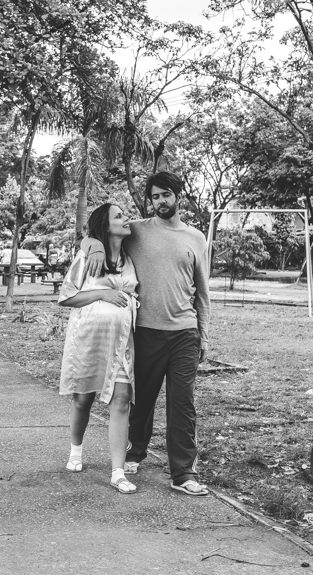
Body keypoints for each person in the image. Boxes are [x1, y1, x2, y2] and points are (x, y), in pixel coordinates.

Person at [82, 172, 211, 496]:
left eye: (165, 195)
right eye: (154, 197)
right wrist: (94, 246)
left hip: (184, 332)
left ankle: (183, 473)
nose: (160, 202)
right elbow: (95, 231)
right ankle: (136, 450)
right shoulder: (137, 230)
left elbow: (203, 293)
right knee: (142, 401)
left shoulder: (196, 237)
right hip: (145, 331)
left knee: (183, 405)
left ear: (178, 196)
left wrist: (204, 336)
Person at [58, 203, 139, 494]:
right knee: (83, 401)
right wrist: (104, 292)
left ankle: (117, 472)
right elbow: (66, 297)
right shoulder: (87, 257)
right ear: (105, 226)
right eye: (119, 216)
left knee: (122, 400)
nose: (126, 218)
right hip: (88, 341)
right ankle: (76, 451)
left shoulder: (130, 257)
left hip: (121, 343)